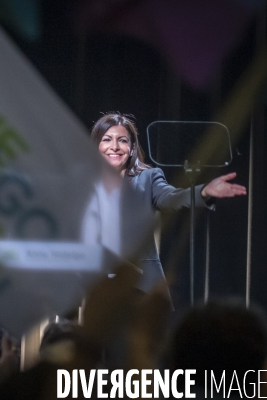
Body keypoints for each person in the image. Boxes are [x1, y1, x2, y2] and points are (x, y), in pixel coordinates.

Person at [81, 112, 247, 293]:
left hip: (139, 283)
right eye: (107, 139)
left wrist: (204, 191)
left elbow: (172, 198)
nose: (115, 147)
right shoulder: (81, 183)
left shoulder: (148, 179)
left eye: (122, 140)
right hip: (91, 282)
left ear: (132, 147)